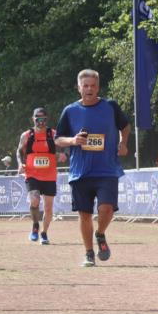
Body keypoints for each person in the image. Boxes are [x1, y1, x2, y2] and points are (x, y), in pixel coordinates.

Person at [54, 69, 131, 267]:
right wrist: (73, 140)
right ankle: (89, 253)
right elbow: (58, 139)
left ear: (98, 87)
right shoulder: (70, 111)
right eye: (85, 86)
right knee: (85, 215)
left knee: (106, 209)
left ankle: (101, 233)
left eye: (93, 86)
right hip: (81, 172)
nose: (89, 89)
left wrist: (123, 143)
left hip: (107, 169)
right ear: (79, 87)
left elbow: (125, 126)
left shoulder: (110, 106)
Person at [18, 107, 63, 244]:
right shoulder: (26, 135)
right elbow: (19, 151)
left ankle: (44, 233)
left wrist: (64, 154)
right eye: (38, 119)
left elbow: (66, 145)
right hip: (32, 173)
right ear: (33, 119)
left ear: (47, 119)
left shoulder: (53, 134)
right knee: (35, 199)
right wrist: (20, 163)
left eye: (43, 119)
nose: (40, 122)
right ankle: (35, 226)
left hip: (49, 175)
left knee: (48, 208)